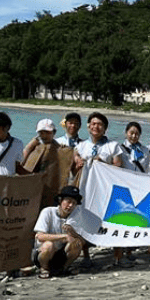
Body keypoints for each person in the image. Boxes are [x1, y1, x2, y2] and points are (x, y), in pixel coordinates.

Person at [72, 112, 124, 267]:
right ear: (88, 126)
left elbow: (119, 167)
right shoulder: (80, 146)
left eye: (100, 124)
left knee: (113, 221)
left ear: (105, 128)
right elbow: (73, 170)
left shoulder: (113, 146)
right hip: (86, 190)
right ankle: (86, 255)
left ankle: (118, 255)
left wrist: (103, 164)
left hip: (106, 191)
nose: (96, 127)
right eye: (93, 123)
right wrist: (77, 162)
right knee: (85, 219)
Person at [32, 186, 85, 278]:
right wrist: (63, 236)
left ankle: (64, 268)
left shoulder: (75, 217)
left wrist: (73, 233)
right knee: (49, 245)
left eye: (74, 203)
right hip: (43, 254)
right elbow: (39, 236)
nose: (70, 206)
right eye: (68, 202)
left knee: (77, 243)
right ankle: (44, 268)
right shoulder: (48, 212)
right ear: (60, 200)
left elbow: (83, 242)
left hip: (61, 255)